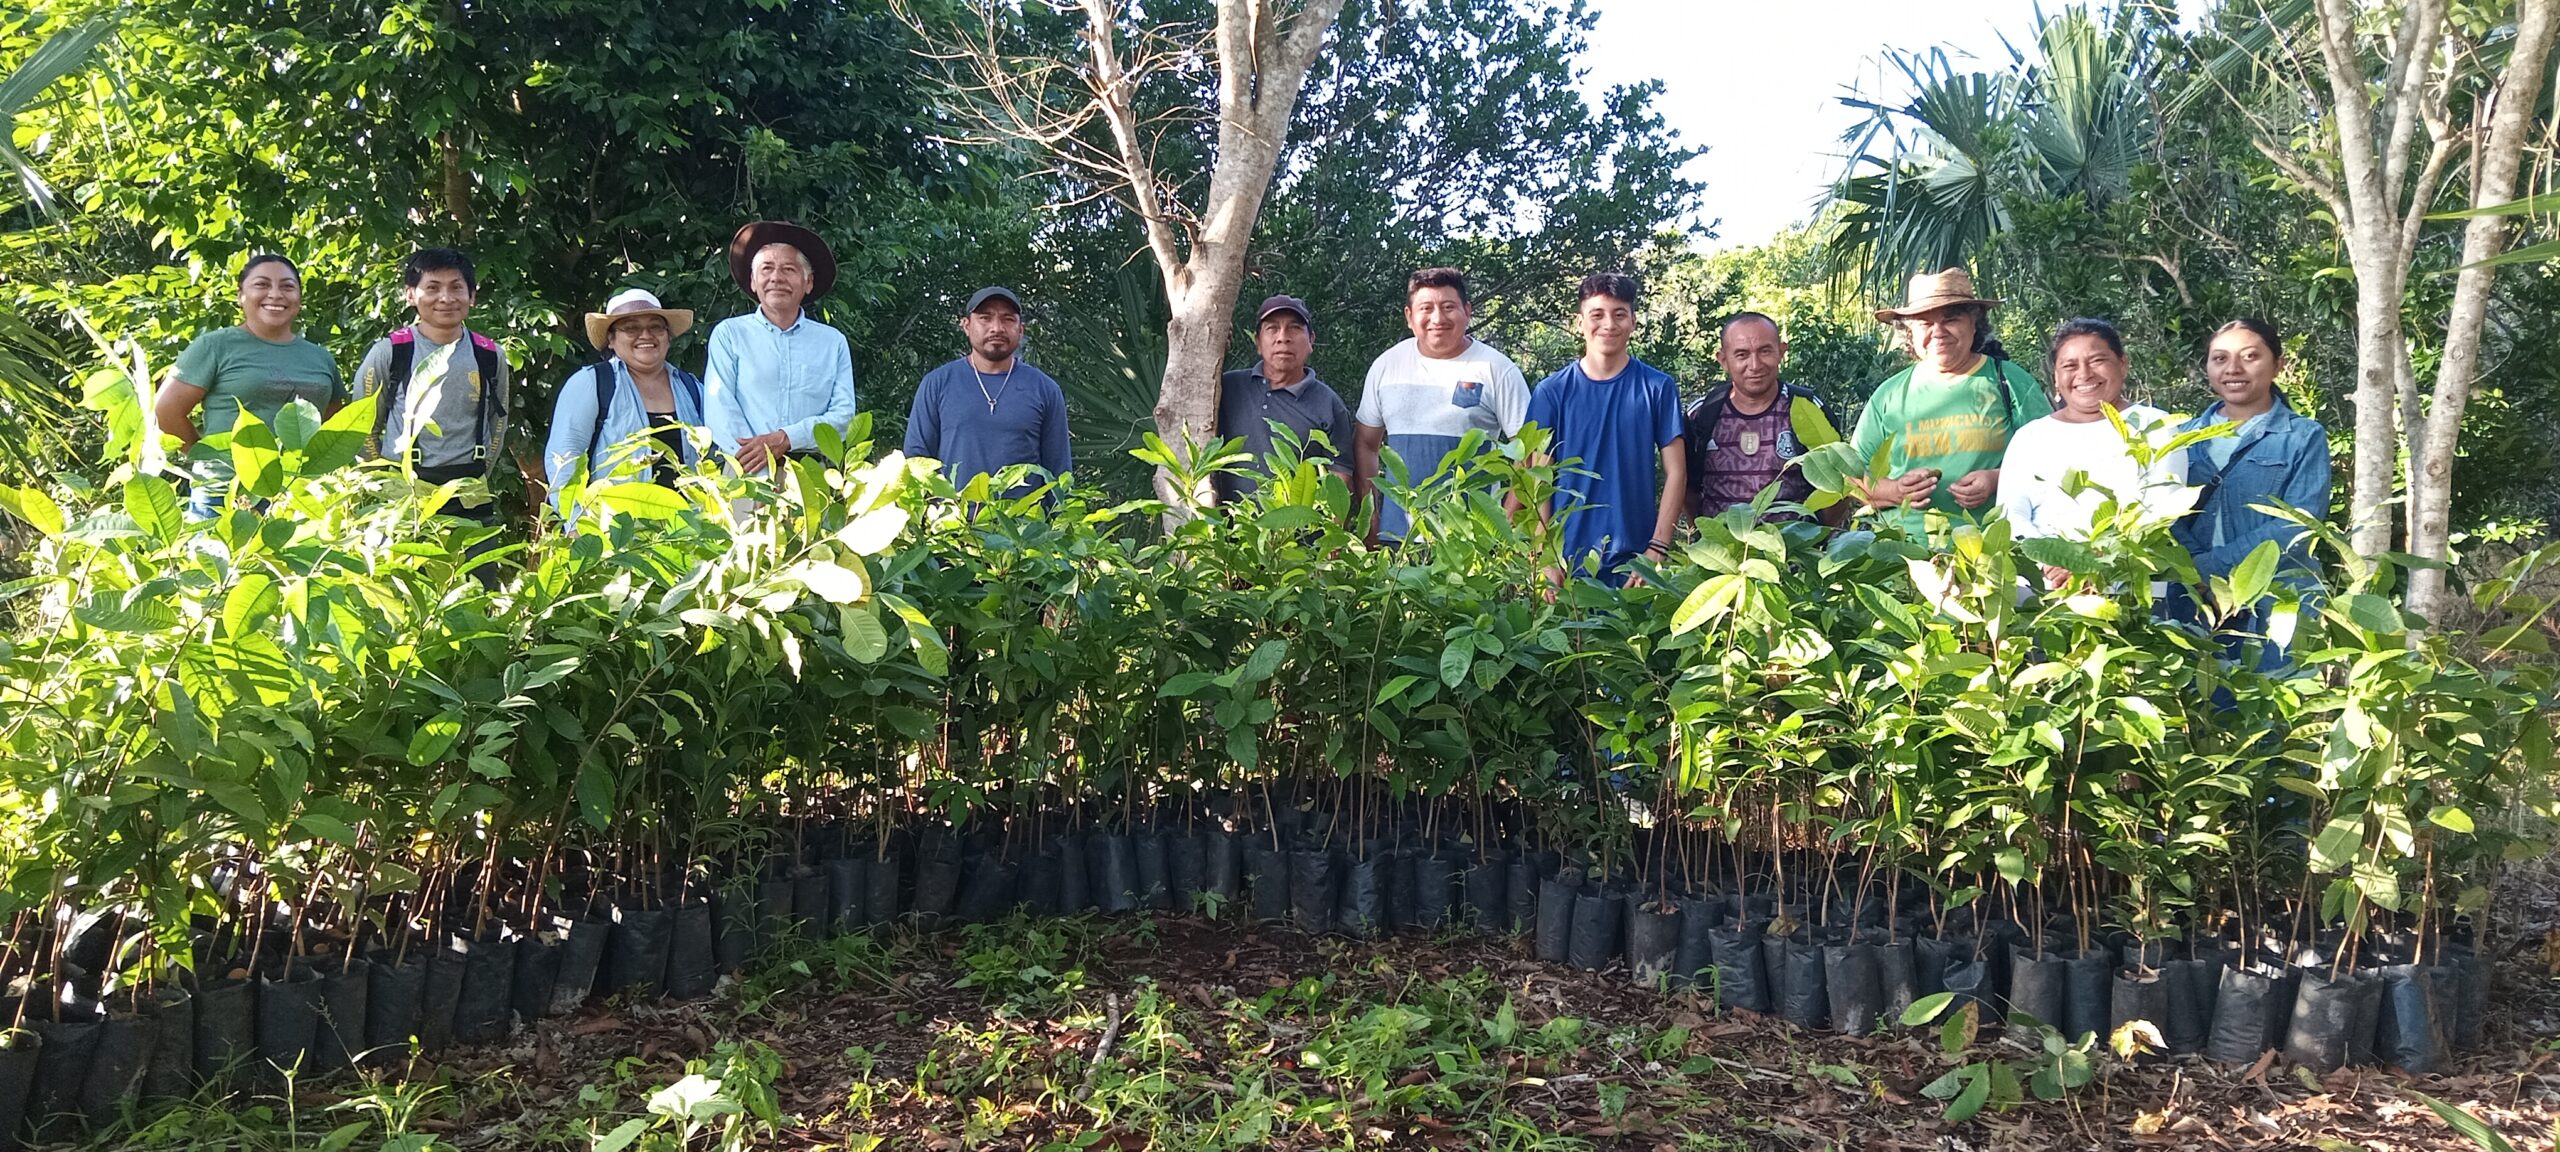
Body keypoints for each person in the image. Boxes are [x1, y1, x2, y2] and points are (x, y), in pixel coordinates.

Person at [2169, 318, 2331, 657]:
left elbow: (2298, 523)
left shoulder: (2303, 436)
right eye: (2220, 358)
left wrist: (2210, 567)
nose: (2233, 369)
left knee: (2276, 702)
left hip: (2276, 601)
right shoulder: (2180, 436)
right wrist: (2193, 569)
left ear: (2278, 365)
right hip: (2193, 601)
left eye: (2250, 357)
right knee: (2196, 704)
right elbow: (2162, 512)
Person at [1849, 268, 2051, 536]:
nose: (1938, 332)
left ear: (1974, 322)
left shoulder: (2010, 382)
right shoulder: (1889, 395)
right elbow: (1852, 478)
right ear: (1909, 330)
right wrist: (1897, 491)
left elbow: (2053, 460)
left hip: (1997, 551)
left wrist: (1995, 480)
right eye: (1924, 323)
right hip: (1906, 556)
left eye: (1951, 319)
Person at [1997, 318, 2192, 589]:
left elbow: (2160, 512)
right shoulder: (2030, 437)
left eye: (2097, 360)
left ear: (2123, 364)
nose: (2084, 374)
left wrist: (2092, 566)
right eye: (2069, 365)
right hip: (2046, 596)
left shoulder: (2157, 427)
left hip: (2132, 589)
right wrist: (2052, 561)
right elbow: (2009, 516)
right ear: (2056, 376)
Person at [1523, 272, 1685, 585]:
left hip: (1636, 561)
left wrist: (1657, 549)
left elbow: (1676, 472)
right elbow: (1539, 477)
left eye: (1619, 314)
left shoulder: (1657, 387)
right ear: (1579, 322)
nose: (1608, 324)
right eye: (1597, 314)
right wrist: (1545, 555)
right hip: (1565, 560)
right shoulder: (1551, 391)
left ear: (1634, 321)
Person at [154, 253, 346, 516]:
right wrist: (209, 457)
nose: (276, 294)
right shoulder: (214, 346)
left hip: (302, 496)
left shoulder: (320, 357)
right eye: (262, 285)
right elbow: (167, 411)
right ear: (240, 295)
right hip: (226, 493)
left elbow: (333, 421)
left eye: (287, 286)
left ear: (299, 298)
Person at [1353, 267, 1531, 543]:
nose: (1438, 318)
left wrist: (1502, 526)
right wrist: (1371, 516)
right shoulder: (1386, 366)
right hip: (1397, 540)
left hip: (1471, 544)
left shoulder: (1498, 370)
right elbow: (1366, 443)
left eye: (1448, 307)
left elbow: (1529, 451)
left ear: (1467, 312)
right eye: (1426, 308)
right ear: (1409, 317)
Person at [704, 220, 858, 473]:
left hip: (810, 475)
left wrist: (787, 438)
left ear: (808, 282)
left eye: (789, 269)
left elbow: (843, 417)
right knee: (739, 515)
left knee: (813, 516)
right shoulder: (730, 334)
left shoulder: (832, 343)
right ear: (753, 282)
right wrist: (758, 460)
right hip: (744, 471)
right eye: (766, 268)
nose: (776, 277)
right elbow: (719, 409)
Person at [350, 248, 511, 490]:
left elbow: (498, 421)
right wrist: (384, 482)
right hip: (405, 493)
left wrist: (484, 468)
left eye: (456, 287)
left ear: (472, 295)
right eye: (433, 288)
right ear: (411, 295)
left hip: (470, 490)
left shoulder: (489, 354)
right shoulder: (390, 352)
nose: (445, 298)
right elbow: (362, 426)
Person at [543, 289, 711, 512]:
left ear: (668, 336)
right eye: (631, 328)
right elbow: (565, 458)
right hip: (614, 532)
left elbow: (715, 456)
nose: (646, 335)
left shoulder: (691, 388)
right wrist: (575, 524)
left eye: (656, 327)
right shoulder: (591, 383)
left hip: (688, 532)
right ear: (611, 340)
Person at [903, 287, 1071, 493]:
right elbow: (917, 461)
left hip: (1024, 522)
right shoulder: (937, 384)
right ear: (966, 325)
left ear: (1021, 329)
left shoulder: (1044, 389)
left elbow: (1058, 470)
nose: (996, 328)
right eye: (985, 318)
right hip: (953, 521)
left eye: (1008, 319)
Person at [1684, 311, 1846, 525]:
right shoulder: (1701, 414)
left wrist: (1816, 541)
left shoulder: (1807, 409)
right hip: (1721, 552)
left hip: (1794, 553)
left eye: (1765, 351)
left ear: (1781, 351)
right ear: (1723, 360)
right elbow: (1685, 487)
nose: (1755, 365)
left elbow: (1838, 485)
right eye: (1742, 355)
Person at [1214, 295, 1353, 503]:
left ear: (1311, 340)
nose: (1283, 338)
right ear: (1258, 342)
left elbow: (1339, 477)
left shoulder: (1329, 405)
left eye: (1294, 328)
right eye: (1272, 328)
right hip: (1228, 531)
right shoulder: (1226, 389)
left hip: (1297, 532)